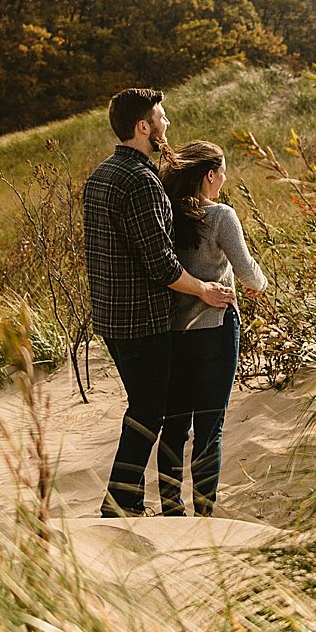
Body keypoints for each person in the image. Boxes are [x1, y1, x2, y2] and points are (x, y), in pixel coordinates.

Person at [82, 88, 233, 516]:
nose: (167, 125)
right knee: (150, 409)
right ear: (142, 126)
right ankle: (119, 502)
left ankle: (126, 499)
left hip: (111, 317)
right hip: (142, 320)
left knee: (146, 407)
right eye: (161, 118)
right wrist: (204, 290)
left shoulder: (101, 175)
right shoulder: (142, 182)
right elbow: (162, 266)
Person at [155, 141, 266, 516]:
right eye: (222, 172)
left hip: (172, 332)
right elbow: (249, 273)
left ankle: (170, 507)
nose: (224, 178)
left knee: (174, 426)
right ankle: (203, 511)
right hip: (215, 328)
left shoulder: (164, 213)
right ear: (209, 175)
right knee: (209, 427)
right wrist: (260, 283)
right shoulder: (221, 216)